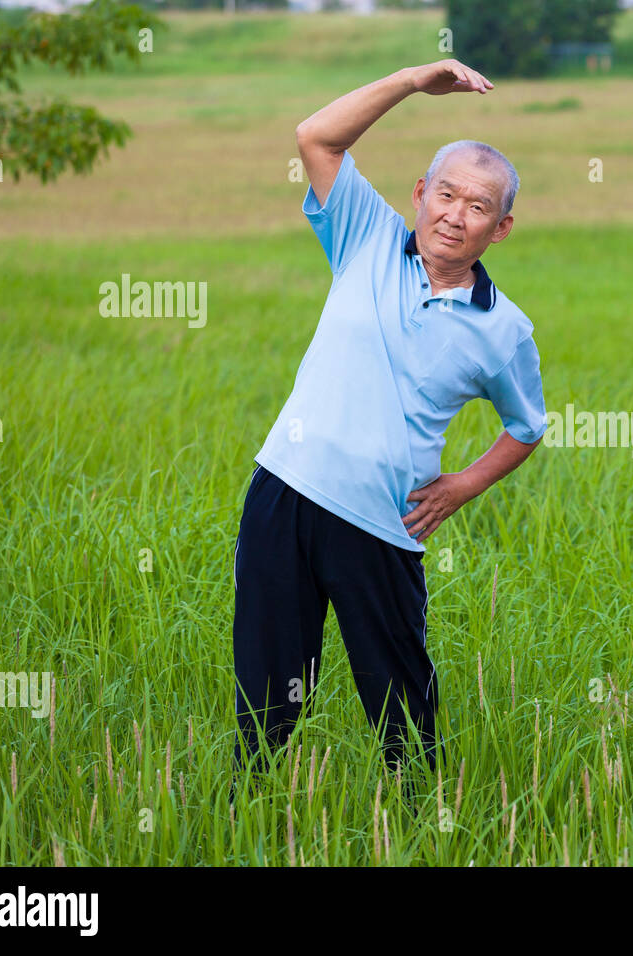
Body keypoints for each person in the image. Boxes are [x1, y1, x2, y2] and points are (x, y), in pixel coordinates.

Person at [232, 59, 547, 783]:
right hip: (284, 491)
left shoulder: (505, 331)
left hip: (382, 525)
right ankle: (250, 807)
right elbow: (317, 137)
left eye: (477, 207)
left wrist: (462, 486)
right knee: (268, 691)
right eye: (445, 194)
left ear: (500, 229)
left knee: (401, 706)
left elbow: (526, 426)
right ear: (419, 195)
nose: (454, 214)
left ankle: (421, 827)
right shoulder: (365, 237)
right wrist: (411, 82)